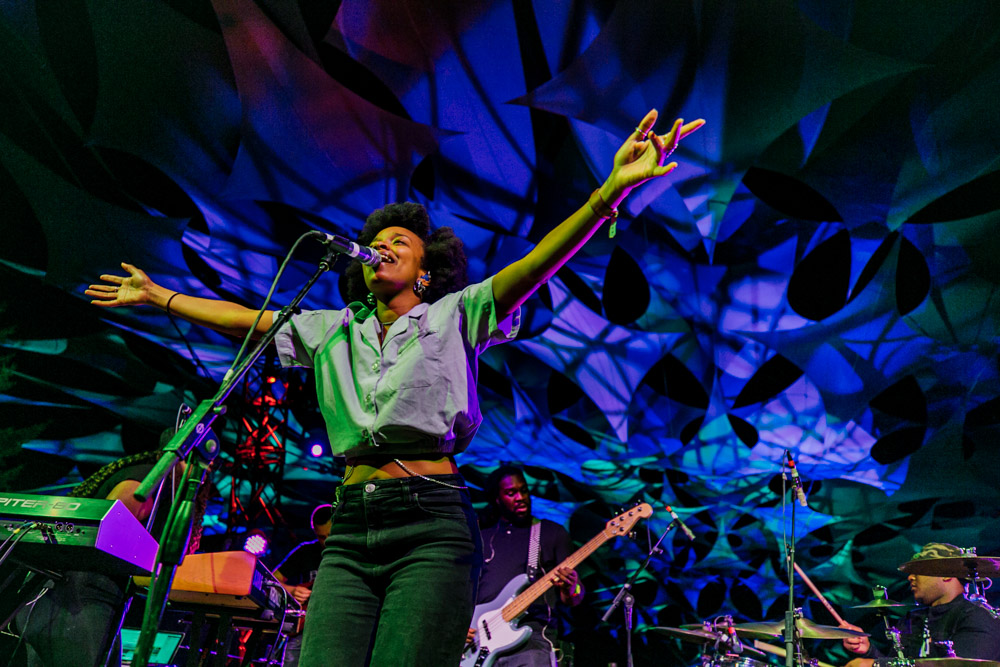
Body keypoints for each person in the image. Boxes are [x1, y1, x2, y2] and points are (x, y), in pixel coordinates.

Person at [86, 109, 705, 666]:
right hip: (352, 522)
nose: (380, 248)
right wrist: (159, 294)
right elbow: (247, 317)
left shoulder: (456, 313)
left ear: (425, 269)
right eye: (375, 244)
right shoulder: (331, 330)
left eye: (398, 244)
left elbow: (538, 262)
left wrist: (608, 194)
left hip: (431, 519)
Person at [13, 444, 208, 667]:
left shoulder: (163, 486)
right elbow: (111, 522)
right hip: (79, 594)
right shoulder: (149, 477)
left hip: (64, 592)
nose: (207, 470)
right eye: (203, 461)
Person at [470, 466, 583, 667]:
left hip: (531, 641)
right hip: (478, 642)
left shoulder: (551, 533)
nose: (520, 497)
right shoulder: (482, 538)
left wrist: (571, 586)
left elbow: (574, 598)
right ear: (497, 499)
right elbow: (464, 592)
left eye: (524, 490)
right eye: (511, 493)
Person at [841, 542, 1000, 666]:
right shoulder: (912, 619)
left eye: (919, 569)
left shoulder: (978, 617)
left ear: (946, 574)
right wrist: (868, 651)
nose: (910, 577)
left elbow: (964, 666)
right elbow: (899, 665)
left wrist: (877, 665)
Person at [272, 503, 333, 667]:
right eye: (322, 537)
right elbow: (272, 580)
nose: (327, 542)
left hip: (336, 626)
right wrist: (293, 590)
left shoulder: (351, 553)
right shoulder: (306, 551)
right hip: (305, 627)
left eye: (331, 535)